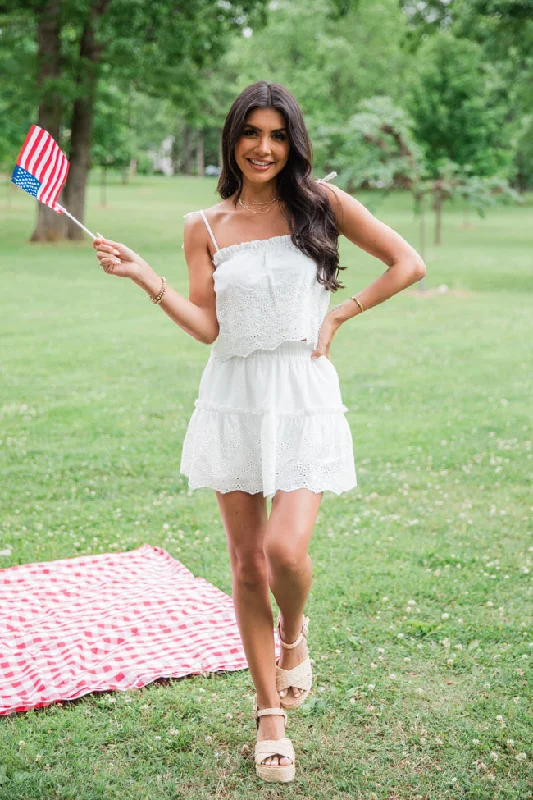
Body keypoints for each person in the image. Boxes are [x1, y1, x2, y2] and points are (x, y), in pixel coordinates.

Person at [93, 80, 426, 784]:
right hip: (233, 397)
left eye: (277, 134)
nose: (264, 148)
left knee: (283, 551)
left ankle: (294, 637)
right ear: (232, 140)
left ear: (292, 141)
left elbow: (408, 262)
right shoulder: (203, 226)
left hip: (302, 397)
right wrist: (147, 279)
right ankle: (268, 715)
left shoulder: (323, 205)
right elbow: (210, 328)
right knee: (246, 565)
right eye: (252, 134)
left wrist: (339, 314)